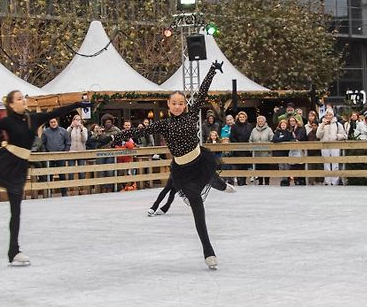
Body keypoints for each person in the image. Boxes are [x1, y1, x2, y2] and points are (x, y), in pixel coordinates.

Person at [111, 61, 233, 270]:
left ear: (185, 104)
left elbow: (202, 92)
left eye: (181, 102)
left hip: (199, 161)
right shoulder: (163, 125)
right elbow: (137, 132)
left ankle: (220, 184)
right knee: (197, 207)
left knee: (211, 176)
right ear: (168, 105)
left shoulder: (192, 113)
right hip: (182, 172)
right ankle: (208, 250)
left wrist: (212, 70)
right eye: (174, 103)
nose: (178, 106)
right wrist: (116, 136)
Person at [0, 91, 90, 266]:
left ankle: (13, 251)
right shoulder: (8, 121)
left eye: (24, 98)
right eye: (19, 98)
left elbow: (55, 113)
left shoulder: (33, 119)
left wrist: (76, 105)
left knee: (16, 211)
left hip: (19, 168)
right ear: (12, 105)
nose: (24, 100)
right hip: (4, 161)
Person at [315, 109, 346, 185]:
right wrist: (322, 125)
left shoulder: (338, 124)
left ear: (333, 115)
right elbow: (318, 135)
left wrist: (337, 136)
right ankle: (327, 181)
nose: (328, 116)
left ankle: (335, 181)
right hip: (325, 145)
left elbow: (344, 135)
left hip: (335, 145)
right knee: (326, 163)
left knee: (335, 163)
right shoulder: (322, 124)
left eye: (330, 115)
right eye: (327, 115)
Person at [42, 117, 71, 197]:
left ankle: (64, 192)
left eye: (54, 122)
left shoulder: (63, 131)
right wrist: (45, 153)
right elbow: (43, 143)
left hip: (60, 155)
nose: (53, 123)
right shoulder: (45, 132)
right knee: (49, 175)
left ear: (57, 122)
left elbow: (68, 142)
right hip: (49, 156)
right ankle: (49, 192)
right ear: (49, 123)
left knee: (62, 174)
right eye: (51, 122)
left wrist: (65, 152)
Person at [230, 110, 253, 186]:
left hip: (246, 148)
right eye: (240, 117)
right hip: (237, 148)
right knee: (239, 165)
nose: (242, 118)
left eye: (243, 117)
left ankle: (244, 180)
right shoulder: (234, 126)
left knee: (245, 165)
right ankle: (240, 180)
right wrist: (237, 145)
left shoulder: (249, 126)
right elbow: (232, 137)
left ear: (245, 117)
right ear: (238, 118)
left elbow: (251, 136)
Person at [249, 115, 274, 185]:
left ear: (264, 122)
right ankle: (260, 182)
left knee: (266, 168)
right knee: (258, 168)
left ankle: (266, 182)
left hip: (266, 153)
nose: (260, 122)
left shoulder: (269, 130)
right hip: (256, 153)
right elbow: (250, 140)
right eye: (259, 121)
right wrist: (251, 148)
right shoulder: (254, 130)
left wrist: (268, 147)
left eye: (261, 121)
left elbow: (272, 140)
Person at [272, 118, 294, 186]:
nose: (283, 126)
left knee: (287, 166)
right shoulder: (277, 132)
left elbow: (289, 139)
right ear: (280, 125)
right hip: (279, 152)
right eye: (282, 125)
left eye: (284, 125)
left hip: (287, 152)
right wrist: (282, 139)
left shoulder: (288, 132)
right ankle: (282, 180)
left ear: (286, 125)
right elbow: (274, 139)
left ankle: (287, 180)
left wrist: (281, 139)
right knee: (281, 166)